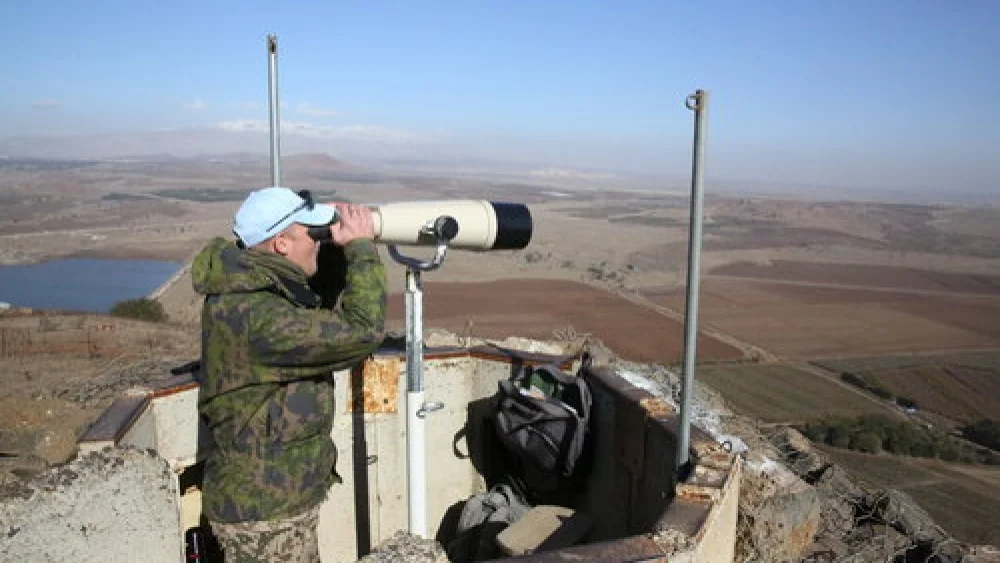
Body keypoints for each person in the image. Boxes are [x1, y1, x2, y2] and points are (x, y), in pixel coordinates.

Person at [191, 186, 387, 562]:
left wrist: (331, 243)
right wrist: (361, 249)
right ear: (281, 244)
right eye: (309, 235)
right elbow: (362, 331)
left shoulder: (253, 289)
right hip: (266, 516)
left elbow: (316, 298)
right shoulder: (260, 317)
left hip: (270, 503)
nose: (317, 243)